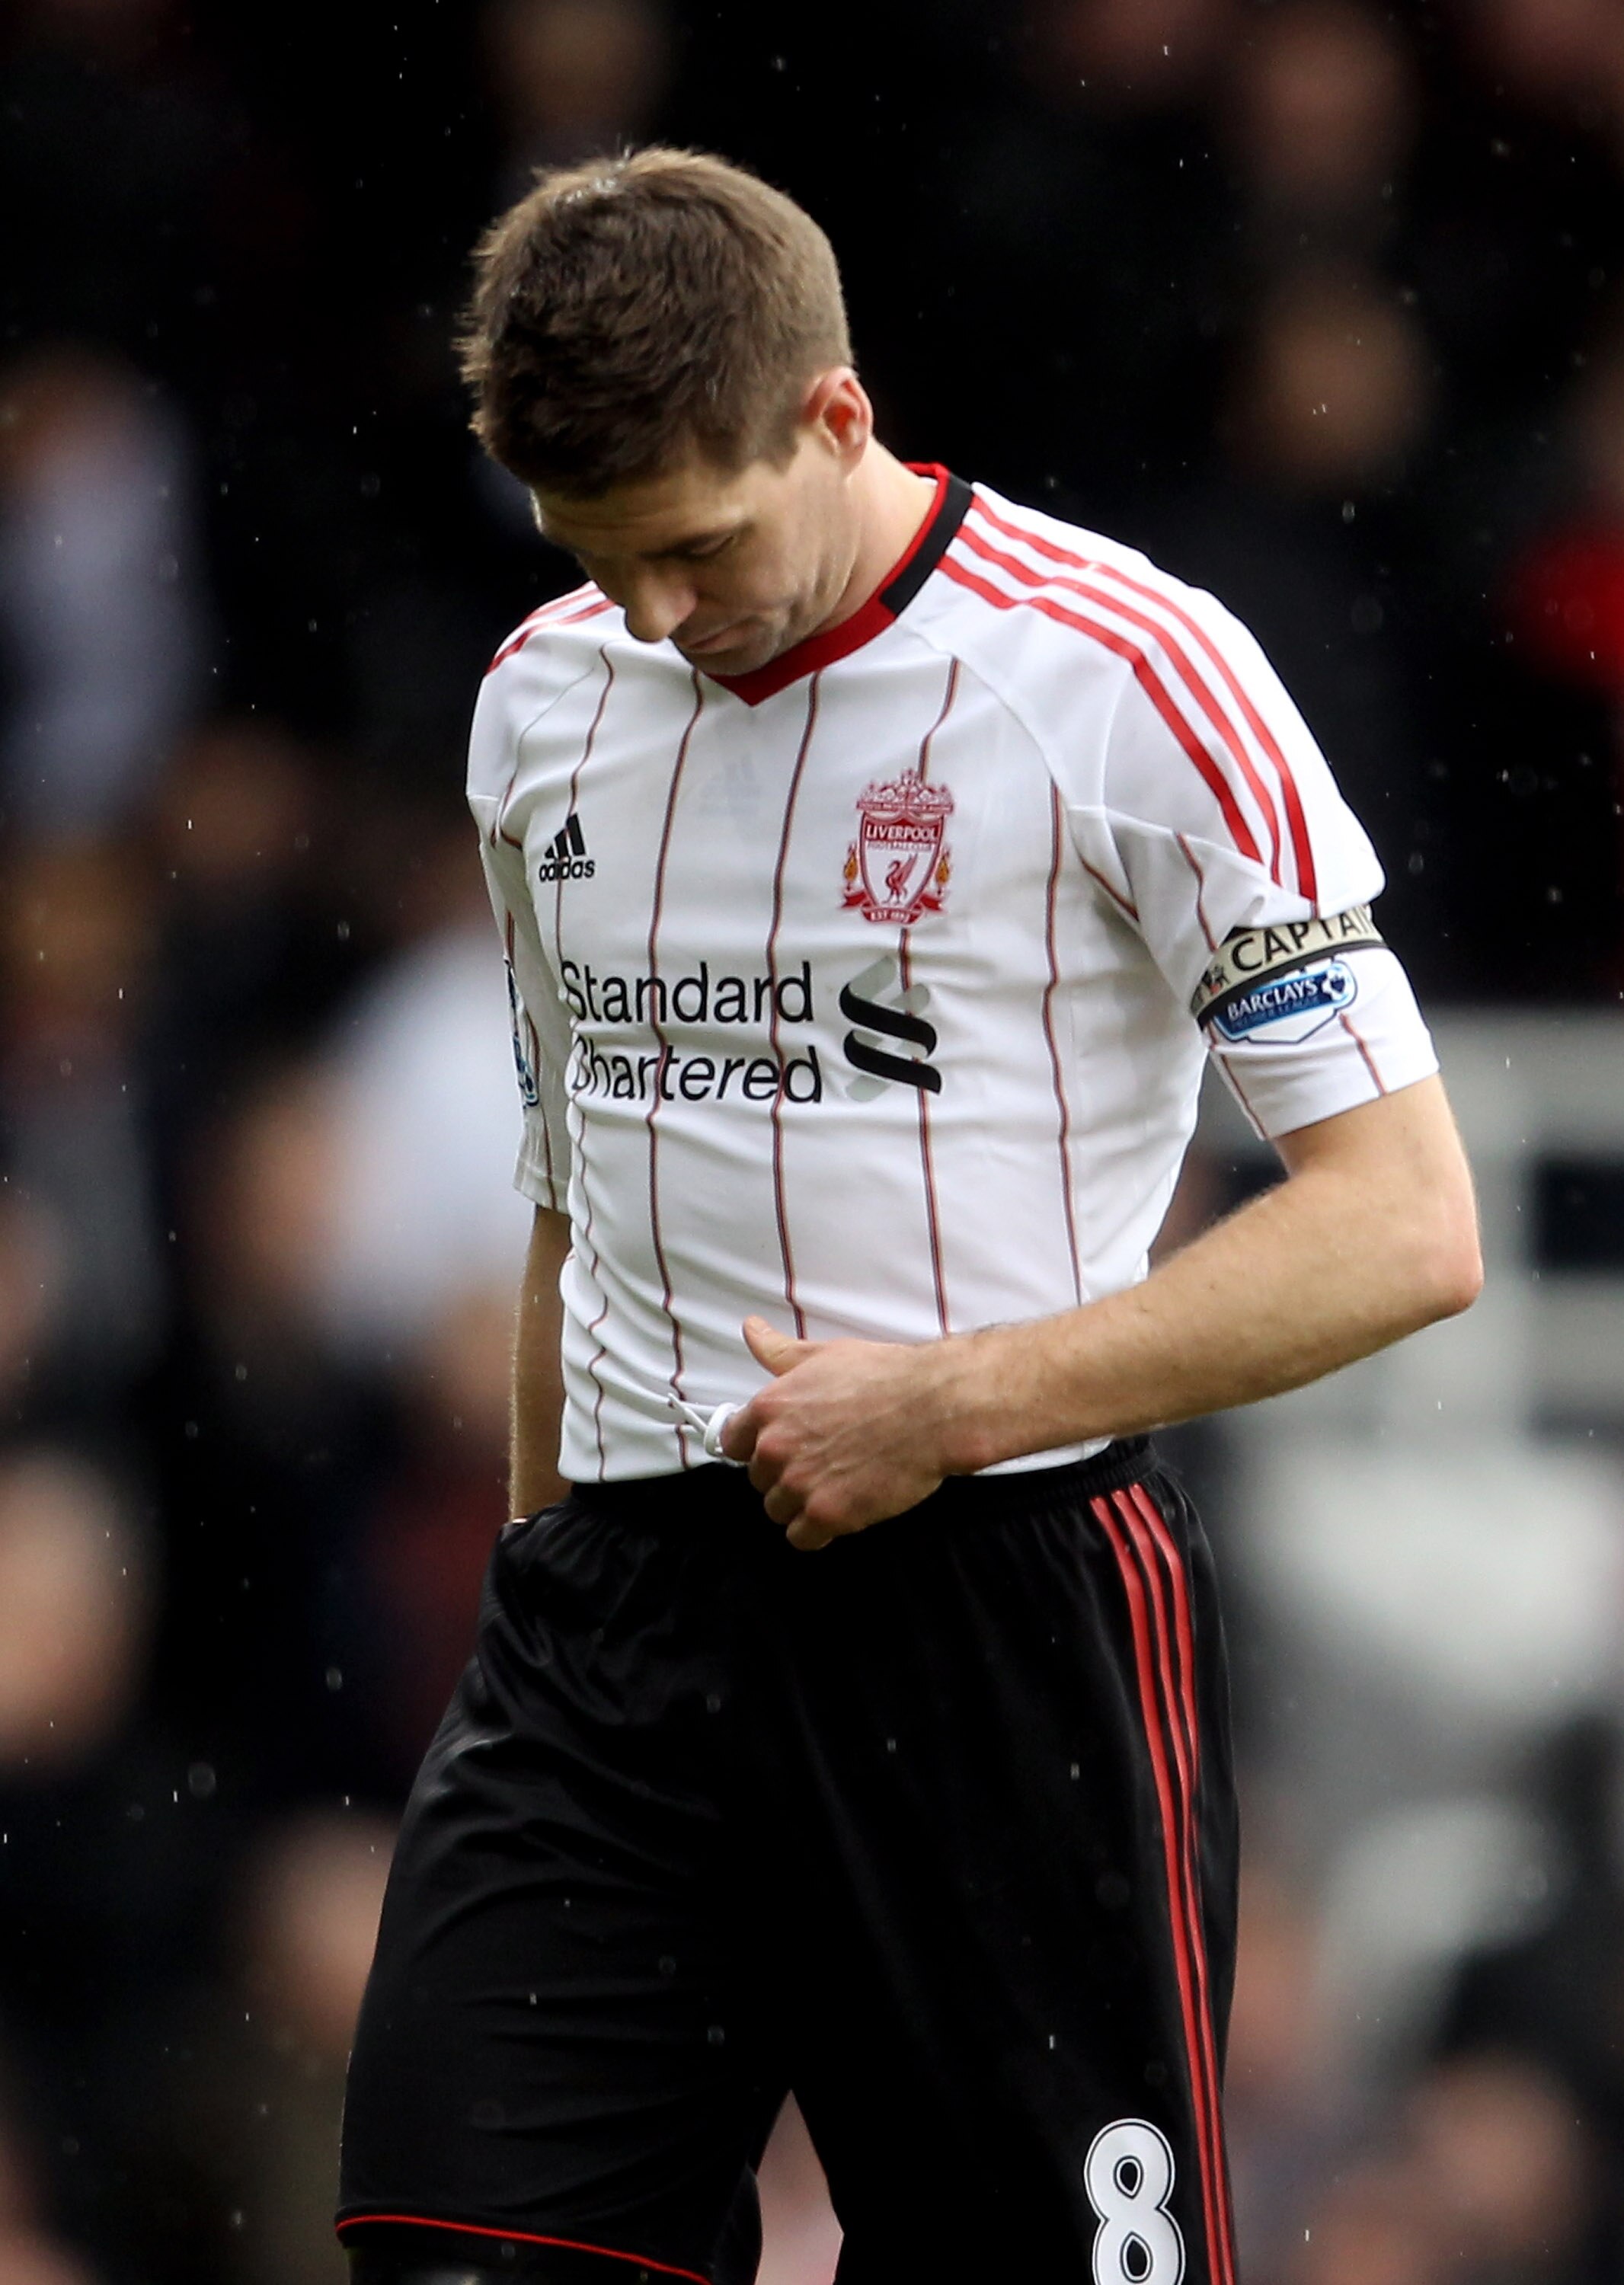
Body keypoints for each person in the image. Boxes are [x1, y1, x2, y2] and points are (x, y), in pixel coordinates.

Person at [335, 148, 1480, 2285]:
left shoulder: (1135, 675)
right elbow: (570, 1206)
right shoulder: (538, 698)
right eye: (597, 557)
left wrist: (948, 1406)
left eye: (694, 545)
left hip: (994, 1616)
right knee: (455, 2256)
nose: (658, 618)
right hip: (613, 1635)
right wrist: (538, 1574)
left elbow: (1403, 1222)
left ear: (835, 417)